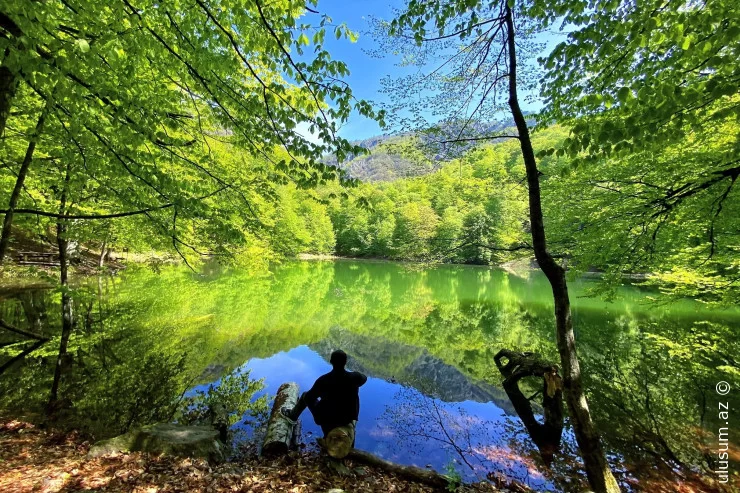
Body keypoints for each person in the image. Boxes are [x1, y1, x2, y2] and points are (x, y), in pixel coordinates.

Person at [281, 349, 367, 438]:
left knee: (305, 395)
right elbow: (364, 378)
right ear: (345, 362)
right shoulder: (355, 377)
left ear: (331, 362)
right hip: (347, 418)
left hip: (327, 419)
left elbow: (309, 397)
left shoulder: (323, 380)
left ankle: (292, 416)